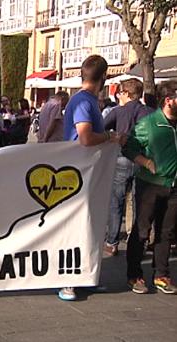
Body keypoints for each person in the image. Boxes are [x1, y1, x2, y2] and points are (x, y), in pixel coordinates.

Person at [60, 54, 123, 301]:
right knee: (76, 226)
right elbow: (85, 138)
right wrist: (110, 137)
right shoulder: (84, 102)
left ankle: (83, 277)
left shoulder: (84, 100)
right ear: (103, 77)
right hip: (79, 174)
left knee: (87, 226)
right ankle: (67, 281)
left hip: (86, 173)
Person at [122, 80, 177, 295]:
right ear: (169, 100)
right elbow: (128, 147)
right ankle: (134, 274)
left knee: (166, 232)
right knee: (142, 231)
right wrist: (145, 162)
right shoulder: (149, 123)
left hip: (173, 187)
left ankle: (162, 274)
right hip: (150, 186)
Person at [103, 78, 153, 256]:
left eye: (120, 93)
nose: (118, 96)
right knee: (138, 201)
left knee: (116, 201)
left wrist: (113, 136)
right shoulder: (149, 112)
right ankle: (138, 239)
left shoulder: (118, 111)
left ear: (126, 94)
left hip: (122, 158)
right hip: (142, 161)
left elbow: (101, 128)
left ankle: (112, 242)